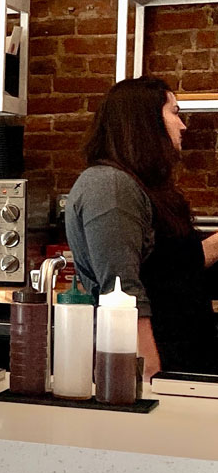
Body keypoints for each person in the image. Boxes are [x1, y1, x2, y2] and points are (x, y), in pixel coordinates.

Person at [65, 76, 218, 376]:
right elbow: (121, 289)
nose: (183, 125)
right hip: (161, 363)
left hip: (186, 355)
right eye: (174, 112)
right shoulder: (109, 186)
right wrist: (145, 374)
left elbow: (173, 267)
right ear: (145, 121)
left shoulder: (140, 185)